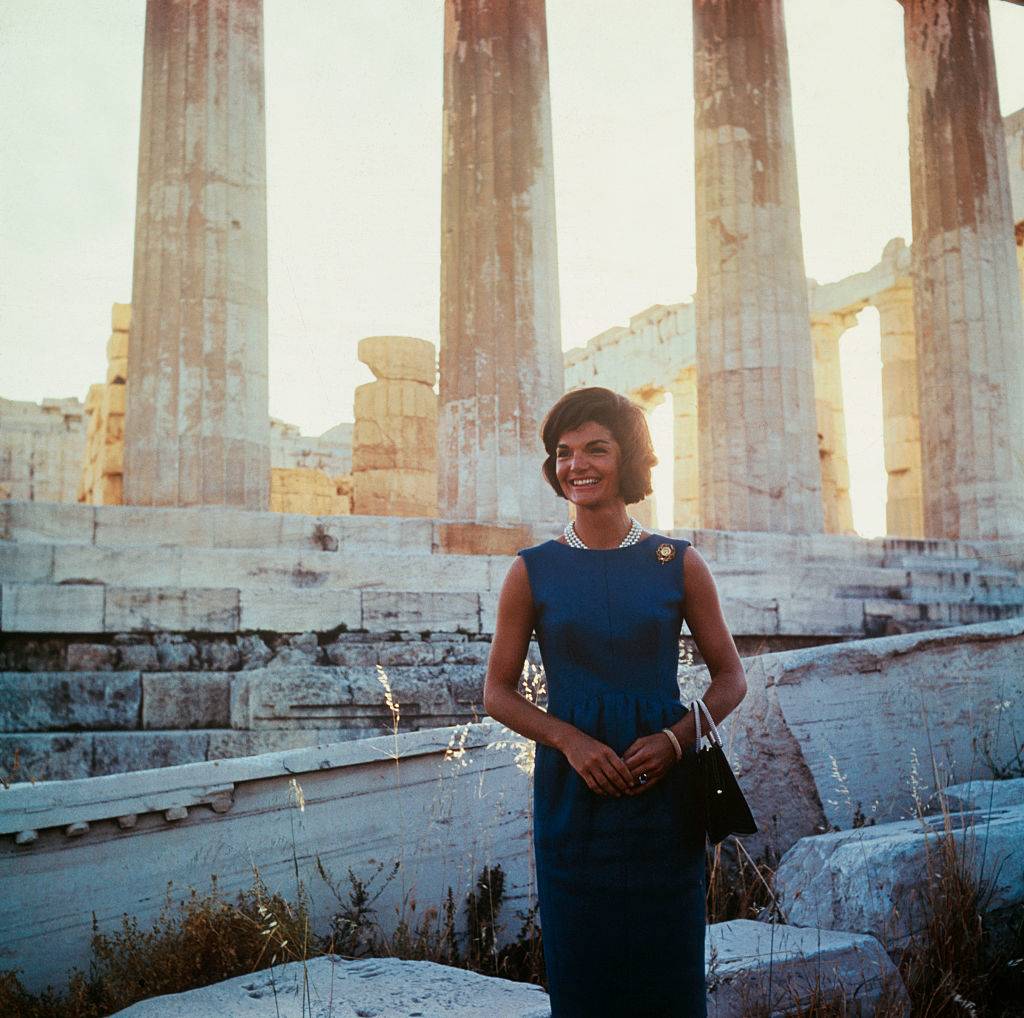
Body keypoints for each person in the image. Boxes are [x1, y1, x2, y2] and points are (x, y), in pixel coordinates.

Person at [482, 386, 747, 1017]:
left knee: (669, 974)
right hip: (574, 794)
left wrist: (677, 740)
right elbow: (496, 693)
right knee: (584, 976)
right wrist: (570, 741)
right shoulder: (532, 569)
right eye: (564, 452)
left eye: (596, 449)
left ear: (628, 457)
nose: (578, 465)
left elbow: (731, 678)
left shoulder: (676, 562)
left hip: (664, 792)